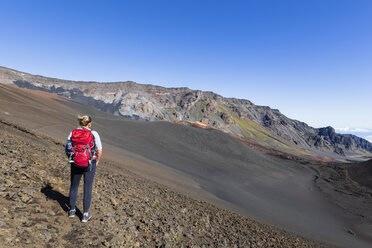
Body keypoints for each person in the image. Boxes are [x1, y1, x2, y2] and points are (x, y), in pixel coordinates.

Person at [65, 115, 102, 222]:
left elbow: (67, 148)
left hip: (75, 162)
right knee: (88, 187)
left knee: (74, 185)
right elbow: (99, 150)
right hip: (90, 163)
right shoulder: (94, 134)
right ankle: (85, 215)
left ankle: (72, 210)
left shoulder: (73, 133)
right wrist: (97, 161)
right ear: (89, 124)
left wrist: (73, 159)